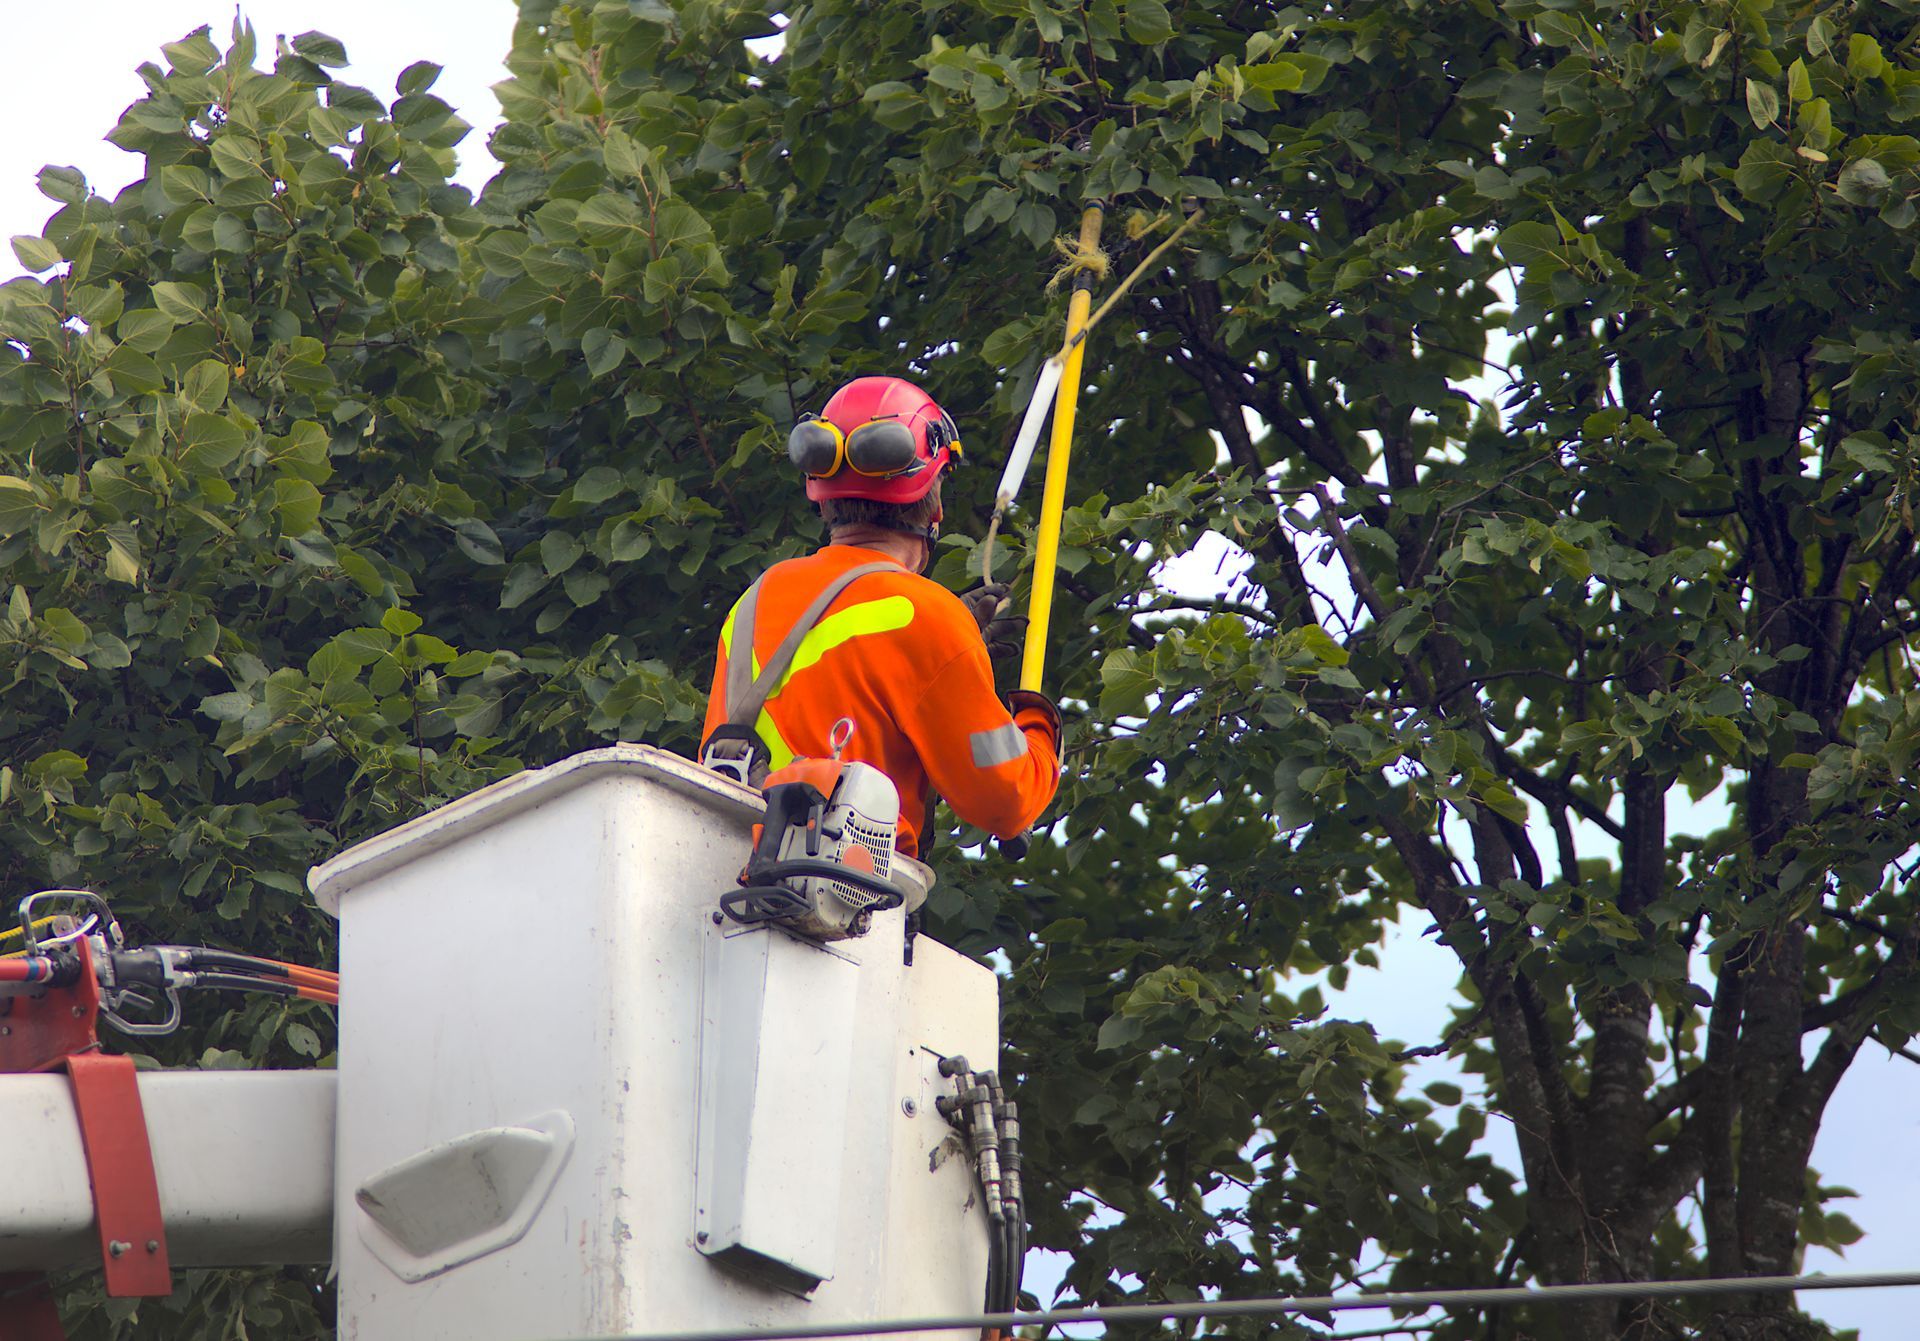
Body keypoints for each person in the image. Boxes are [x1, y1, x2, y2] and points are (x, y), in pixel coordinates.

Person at [700, 375, 1061, 859]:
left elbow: (837, 678)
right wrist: (1038, 726)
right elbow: (1006, 801)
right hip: (848, 903)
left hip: (725, 880)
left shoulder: (754, 600)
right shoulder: (926, 617)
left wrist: (947, 645)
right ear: (933, 504)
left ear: (823, 494)